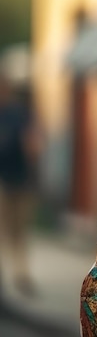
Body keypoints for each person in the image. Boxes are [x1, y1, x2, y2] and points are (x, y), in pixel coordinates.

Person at [0, 70, 38, 297]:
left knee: (19, 229)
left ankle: (21, 273)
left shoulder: (19, 113)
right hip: (2, 180)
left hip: (20, 178)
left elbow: (31, 141)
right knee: (5, 229)